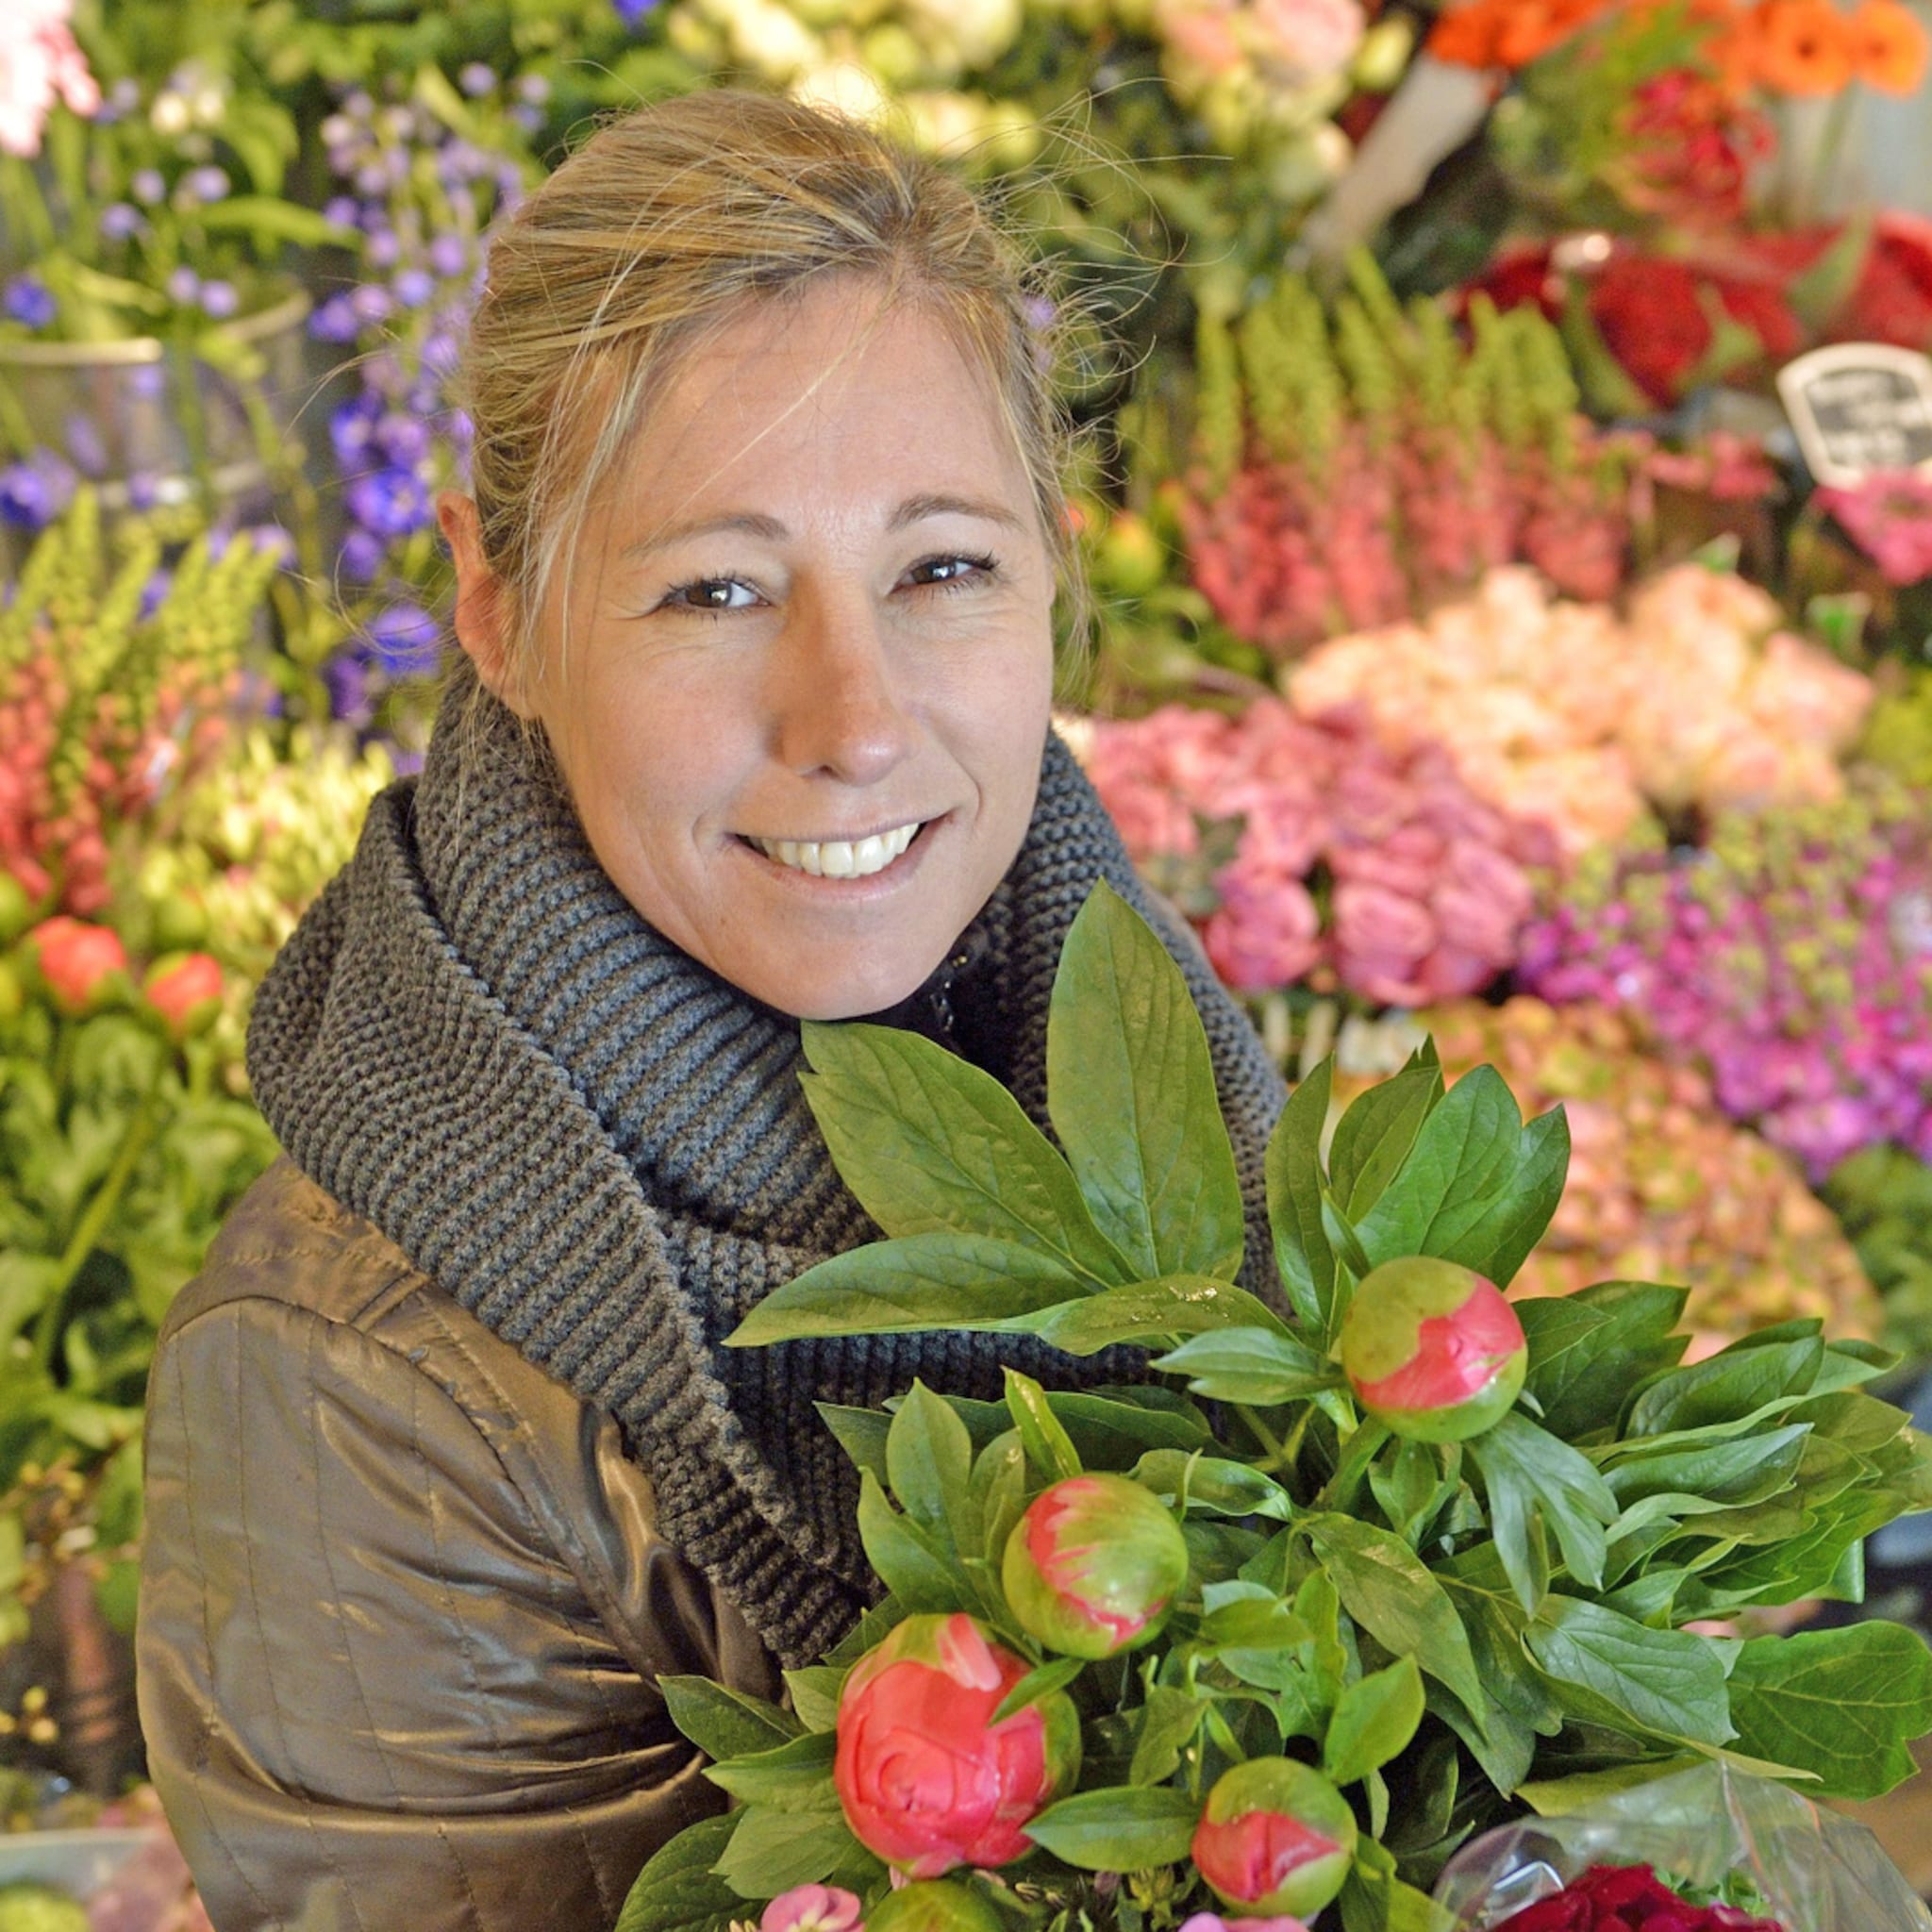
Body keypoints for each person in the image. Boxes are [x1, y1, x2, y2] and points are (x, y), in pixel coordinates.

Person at [135, 88, 1286, 1931]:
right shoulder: (353, 1387)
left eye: (940, 567)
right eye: (717, 588)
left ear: (1054, 562)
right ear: (501, 611)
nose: (854, 720)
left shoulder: (1123, 1036)